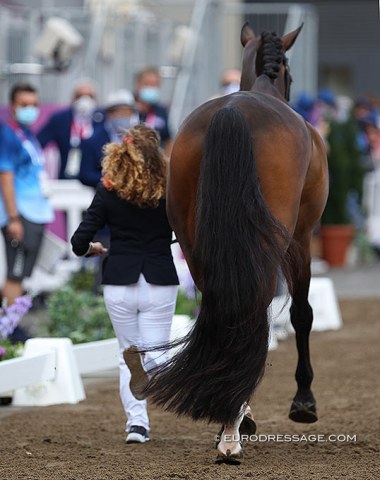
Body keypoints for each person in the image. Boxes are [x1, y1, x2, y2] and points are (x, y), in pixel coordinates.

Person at [71, 124, 179, 443]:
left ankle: (137, 426)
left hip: (119, 279)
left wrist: (92, 249)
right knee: (156, 352)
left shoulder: (109, 189)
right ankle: (156, 368)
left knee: (126, 355)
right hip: (159, 278)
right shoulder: (169, 188)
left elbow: (79, 241)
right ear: (157, 155)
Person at [0, 83, 54, 341]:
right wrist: (13, 217)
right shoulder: (8, 134)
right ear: (12, 106)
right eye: (24, 105)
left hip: (35, 211)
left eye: (34, 104)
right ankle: (9, 329)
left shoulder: (26, 134)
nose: (30, 109)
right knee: (16, 271)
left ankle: (8, 321)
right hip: (21, 214)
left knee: (22, 274)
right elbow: (6, 177)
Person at [37, 78, 103, 179]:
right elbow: (37, 144)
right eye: (80, 96)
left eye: (89, 96)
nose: (84, 101)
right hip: (68, 179)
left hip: (96, 179)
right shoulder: (60, 120)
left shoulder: (102, 119)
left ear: (95, 99)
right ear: (73, 98)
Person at [79, 89, 139, 188]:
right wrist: (113, 181)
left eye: (127, 112)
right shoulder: (92, 141)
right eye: (119, 112)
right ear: (109, 114)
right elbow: (86, 175)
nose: (124, 117)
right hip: (105, 196)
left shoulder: (140, 141)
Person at [134, 67, 173, 156]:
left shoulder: (161, 111)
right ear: (138, 85)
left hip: (156, 161)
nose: (151, 88)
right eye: (147, 84)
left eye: (154, 84)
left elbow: (168, 140)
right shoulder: (129, 109)